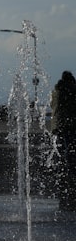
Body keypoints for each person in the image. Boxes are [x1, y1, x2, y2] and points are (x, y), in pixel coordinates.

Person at [51, 71, 76, 211]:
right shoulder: (72, 90)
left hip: (58, 127)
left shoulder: (56, 91)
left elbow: (52, 106)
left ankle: (63, 187)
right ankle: (71, 190)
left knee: (61, 156)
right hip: (71, 127)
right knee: (71, 157)